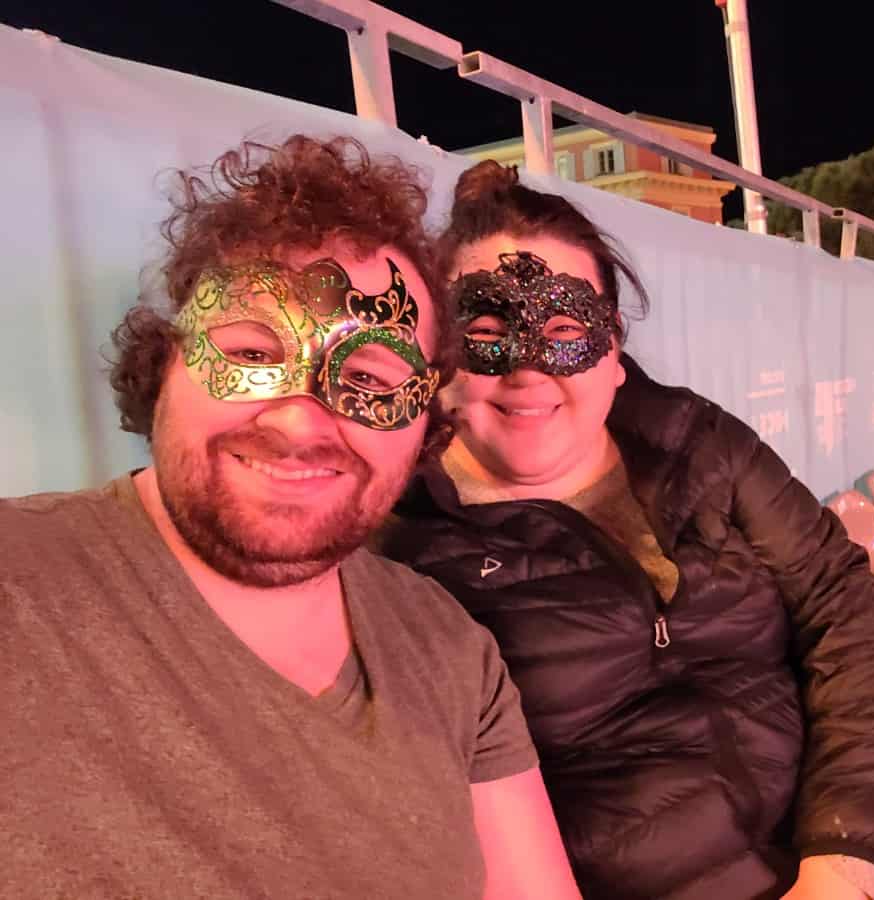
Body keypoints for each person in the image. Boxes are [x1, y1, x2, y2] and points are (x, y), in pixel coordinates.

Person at [0, 137, 581, 900]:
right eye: (249, 351)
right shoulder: (21, 584)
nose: (302, 424)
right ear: (164, 364)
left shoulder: (449, 651)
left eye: (370, 375)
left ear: (425, 424)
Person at [377, 161, 874, 900]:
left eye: (565, 327)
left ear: (614, 351)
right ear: (441, 353)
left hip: (821, 846)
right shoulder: (402, 541)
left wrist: (846, 856)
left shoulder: (701, 445)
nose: (529, 369)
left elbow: (844, 611)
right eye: (485, 329)